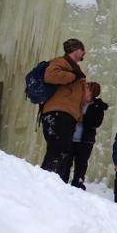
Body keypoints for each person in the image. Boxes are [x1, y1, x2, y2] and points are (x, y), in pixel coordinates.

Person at [40, 38, 86, 177]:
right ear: (76, 50)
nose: (85, 53)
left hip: (67, 114)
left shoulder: (73, 66)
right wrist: (72, 76)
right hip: (58, 113)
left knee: (62, 149)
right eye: (83, 50)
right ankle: (48, 179)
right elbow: (50, 75)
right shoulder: (62, 62)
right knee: (58, 148)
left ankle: (52, 180)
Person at [65, 82, 108, 189]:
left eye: (87, 89)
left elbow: (96, 123)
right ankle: (62, 181)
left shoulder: (98, 106)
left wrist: (82, 118)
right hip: (70, 137)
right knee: (66, 161)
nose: (83, 90)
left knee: (81, 163)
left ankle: (78, 183)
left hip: (86, 140)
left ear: (92, 92)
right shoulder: (77, 102)